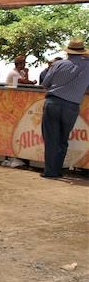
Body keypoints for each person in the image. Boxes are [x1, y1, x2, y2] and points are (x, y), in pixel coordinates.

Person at [40, 39, 89, 179]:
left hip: (52, 102)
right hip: (72, 106)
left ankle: (50, 171)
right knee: (63, 138)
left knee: (51, 139)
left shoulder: (58, 64)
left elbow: (45, 84)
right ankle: (57, 169)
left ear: (68, 52)